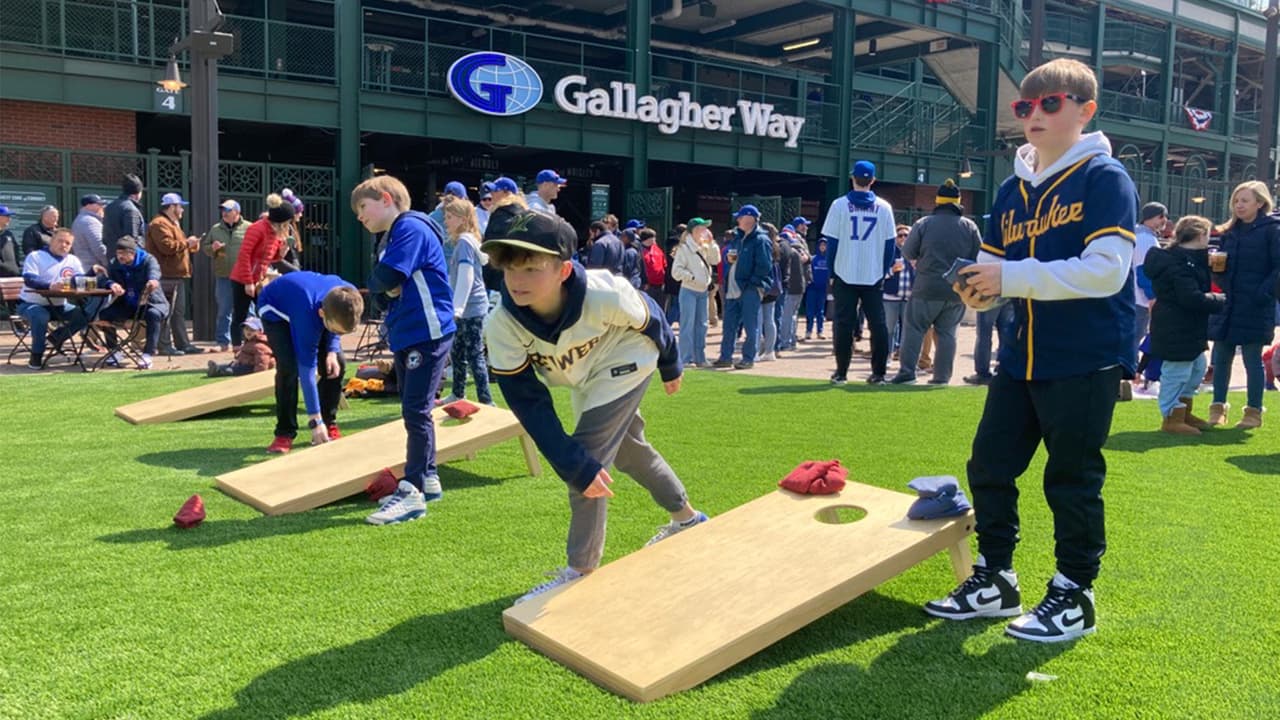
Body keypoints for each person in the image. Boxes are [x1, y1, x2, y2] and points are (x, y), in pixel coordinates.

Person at [925, 57, 1139, 643]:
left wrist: (1010, 279)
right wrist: (978, 289)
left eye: (1051, 104)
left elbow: (1107, 272)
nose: (1034, 115)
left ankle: (1075, 592)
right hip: (1022, 352)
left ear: (1085, 111)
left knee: (1071, 479)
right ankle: (994, 578)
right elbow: (996, 277)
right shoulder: (1011, 187)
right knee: (990, 465)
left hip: (1085, 352)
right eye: (1025, 106)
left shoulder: (1105, 176)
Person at [480, 207, 708, 604]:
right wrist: (566, 458)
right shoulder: (501, 324)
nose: (517, 280)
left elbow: (651, 318)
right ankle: (687, 517)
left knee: (587, 458)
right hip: (584, 374)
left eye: (532, 268)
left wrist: (671, 365)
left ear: (563, 270)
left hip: (627, 356)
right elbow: (527, 401)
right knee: (627, 453)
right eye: (510, 269)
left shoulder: (604, 291)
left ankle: (580, 568)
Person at [353, 175, 457, 525]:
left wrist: (384, 284)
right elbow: (383, 287)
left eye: (363, 208)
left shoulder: (410, 227)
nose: (359, 217)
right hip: (411, 330)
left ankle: (411, 489)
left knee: (415, 410)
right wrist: (384, 286)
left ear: (386, 199)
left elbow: (385, 277)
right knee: (416, 410)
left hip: (425, 330)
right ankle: (427, 477)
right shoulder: (397, 233)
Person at [257, 270, 362, 454]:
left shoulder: (350, 295)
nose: (338, 334)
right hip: (275, 310)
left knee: (337, 363)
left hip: (312, 306)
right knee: (289, 368)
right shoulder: (308, 315)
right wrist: (315, 420)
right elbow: (307, 369)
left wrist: (332, 349)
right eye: (335, 329)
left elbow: (336, 328)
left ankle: (329, 423)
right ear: (322, 314)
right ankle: (284, 432)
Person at [891, 179, 982, 385]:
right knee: (948, 335)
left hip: (926, 287)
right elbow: (980, 256)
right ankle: (941, 377)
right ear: (958, 202)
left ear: (938, 201)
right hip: (956, 290)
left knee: (914, 329)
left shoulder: (924, 224)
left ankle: (907, 374)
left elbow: (908, 252)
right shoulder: (969, 226)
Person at [1205, 180, 1280, 429]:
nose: (1239, 205)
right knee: (1221, 356)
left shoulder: (1272, 230)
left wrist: (1263, 293)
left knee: (1251, 358)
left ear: (1260, 203)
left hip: (1256, 304)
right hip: (1229, 302)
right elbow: (1221, 268)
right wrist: (1217, 272)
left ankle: (1253, 412)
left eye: (1245, 200)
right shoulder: (1228, 232)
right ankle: (1218, 407)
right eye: (1236, 200)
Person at [1143, 215, 1224, 435]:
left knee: (1197, 366)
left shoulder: (1187, 259)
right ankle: (1171, 415)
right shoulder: (1176, 262)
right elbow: (1190, 297)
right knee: (1176, 370)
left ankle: (1183, 411)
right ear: (1200, 235)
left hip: (1186, 325)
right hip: (1175, 324)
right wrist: (1220, 300)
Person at [820, 160, 896, 385]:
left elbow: (831, 243)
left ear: (853, 178)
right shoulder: (884, 207)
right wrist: (882, 271)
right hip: (873, 274)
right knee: (878, 324)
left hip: (845, 271)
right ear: (872, 180)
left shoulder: (839, 205)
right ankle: (879, 373)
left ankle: (841, 372)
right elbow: (890, 245)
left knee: (843, 324)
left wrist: (832, 271)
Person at [440, 197, 493, 406]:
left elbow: (466, 275)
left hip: (470, 308)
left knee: (474, 354)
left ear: (462, 219)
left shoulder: (463, 243)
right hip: (471, 307)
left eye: (450, 217)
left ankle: (486, 400)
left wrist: (458, 308)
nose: (446, 221)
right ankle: (458, 393)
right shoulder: (469, 240)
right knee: (459, 352)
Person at [17, 227, 92, 369]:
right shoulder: (36, 256)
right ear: (52, 241)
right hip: (30, 303)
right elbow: (30, 279)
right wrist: (50, 285)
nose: (63, 245)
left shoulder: (72, 260)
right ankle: (36, 355)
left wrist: (92, 273)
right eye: (60, 241)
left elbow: (80, 279)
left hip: (59, 305)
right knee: (40, 315)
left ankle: (56, 337)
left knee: (86, 314)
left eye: (68, 243)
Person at [712, 205, 772, 370]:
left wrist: (750, 283)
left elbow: (765, 266)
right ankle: (725, 357)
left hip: (749, 289)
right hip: (733, 288)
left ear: (749, 219)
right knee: (729, 325)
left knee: (750, 325)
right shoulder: (737, 238)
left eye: (740, 217)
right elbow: (730, 258)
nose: (737, 219)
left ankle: (748, 358)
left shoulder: (761, 240)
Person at [230, 194, 294, 348]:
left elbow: (271, 258)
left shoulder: (275, 232)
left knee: (265, 311)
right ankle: (238, 350)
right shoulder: (257, 228)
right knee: (240, 315)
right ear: (280, 221)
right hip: (242, 279)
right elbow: (244, 255)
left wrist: (282, 251)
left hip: (258, 279)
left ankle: (262, 346)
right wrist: (248, 282)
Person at [146, 192, 204, 356]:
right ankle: (164, 345)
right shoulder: (159, 224)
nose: (182, 210)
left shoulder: (173, 223)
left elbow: (177, 246)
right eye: (180, 206)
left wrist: (191, 244)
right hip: (165, 275)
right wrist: (187, 243)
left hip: (176, 275)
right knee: (166, 311)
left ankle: (183, 344)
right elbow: (167, 247)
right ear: (172, 207)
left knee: (178, 313)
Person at [99, 236, 168, 369]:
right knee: (105, 314)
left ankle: (147, 354)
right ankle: (115, 351)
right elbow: (103, 279)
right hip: (127, 304)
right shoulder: (115, 263)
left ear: (132, 253)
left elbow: (154, 273)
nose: (120, 257)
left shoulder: (148, 260)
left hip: (151, 303)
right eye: (118, 253)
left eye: (123, 254)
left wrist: (153, 281)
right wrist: (111, 283)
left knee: (153, 315)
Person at [202, 200, 252, 352]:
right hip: (224, 275)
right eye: (223, 210)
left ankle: (250, 341)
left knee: (249, 311)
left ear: (237, 212)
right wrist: (213, 248)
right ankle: (223, 342)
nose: (224, 213)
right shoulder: (215, 229)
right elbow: (206, 248)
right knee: (224, 310)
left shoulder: (249, 228)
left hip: (244, 277)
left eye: (228, 210)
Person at [671, 217, 719, 366]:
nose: (705, 231)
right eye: (702, 228)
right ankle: (685, 358)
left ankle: (700, 357)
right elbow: (676, 271)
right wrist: (691, 277)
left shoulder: (704, 247)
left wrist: (712, 243)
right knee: (687, 325)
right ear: (694, 231)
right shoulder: (684, 249)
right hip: (689, 290)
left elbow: (715, 260)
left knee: (702, 325)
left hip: (703, 291)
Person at [883, 225, 914, 361]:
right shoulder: (889, 252)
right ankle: (887, 355)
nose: (903, 238)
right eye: (900, 235)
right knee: (889, 328)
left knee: (908, 329)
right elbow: (879, 273)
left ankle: (903, 356)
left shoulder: (915, 252)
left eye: (906, 235)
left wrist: (916, 267)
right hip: (890, 296)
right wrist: (891, 271)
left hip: (909, 296)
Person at [207, 316, 275, 377]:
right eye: (246, 329)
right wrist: (238, 360)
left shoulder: (260, 346)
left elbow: (262, 361)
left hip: (251, 367)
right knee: (231, 365)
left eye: (252, 330)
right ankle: (217, 368)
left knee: (234, 369)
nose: (248, 332)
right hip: (244, 363)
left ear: (260, 331)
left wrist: (257, 374)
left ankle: (219, 371)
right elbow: (243, 354)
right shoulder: (249, 342)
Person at [778, 226, 810, 352]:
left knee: (787, 316)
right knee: (793, 316)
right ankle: (791, 341)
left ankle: (786, 343)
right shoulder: (800, 250)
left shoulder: (789, 252)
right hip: (800, 287)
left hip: (791, 287)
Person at [103, 174, 146, 249]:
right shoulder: (131, 210)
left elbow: (105, 238)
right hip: (127, 257)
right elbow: (131, 240)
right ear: (138, 192)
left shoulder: (109, 207)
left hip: (112, 254)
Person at [70, 194, 109, 271]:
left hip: (85, 267)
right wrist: (110, 264)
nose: (102, 207)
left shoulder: (80, 219)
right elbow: (99, 247)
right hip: (95, 269)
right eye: (99, 204)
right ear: (88, 206)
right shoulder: (90, 222)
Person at [803, 237, 829, 341]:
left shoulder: (829, 260)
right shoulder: (813, 259)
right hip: (812, 288)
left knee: (820, 311)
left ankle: (820, 331)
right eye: (821, 245)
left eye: (825, 245)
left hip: (822, 289)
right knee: (810, 311)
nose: (823, 247)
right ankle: (808, 331)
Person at [639, 227, 667, 307]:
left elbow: (664, 264)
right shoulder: (640, 251)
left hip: (660, 284)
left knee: (660, 307)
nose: (655, 239)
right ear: (648, 239)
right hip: (648, 286)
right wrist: (644, 282)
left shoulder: (657, 249)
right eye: (653, 237)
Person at [0, 206, 20, 278]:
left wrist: (16, 267)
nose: (9, 219)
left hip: (13, 276)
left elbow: (16, 252)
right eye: (6, 216)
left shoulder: (9, 234)